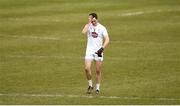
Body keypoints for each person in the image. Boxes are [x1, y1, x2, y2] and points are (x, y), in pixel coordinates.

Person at [82, 13, 110, 94]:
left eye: (90, 18)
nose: (89, 20)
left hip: (98, 51)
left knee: (98, 70)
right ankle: (90, 85)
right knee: (87, 68)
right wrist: (89, 23)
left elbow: (107, 39)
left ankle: (97, 88)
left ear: (95, 18)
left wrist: (102, 48)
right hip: (89, 51)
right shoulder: (88, 26)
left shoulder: (102, 28)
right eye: (88, 19)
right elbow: (83, 31)